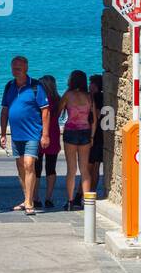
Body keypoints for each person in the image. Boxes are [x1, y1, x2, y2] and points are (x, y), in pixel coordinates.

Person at [0, 55, 49, 215]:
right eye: (14, 68)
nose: (16, 71)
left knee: (29, 165)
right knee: (21, 167)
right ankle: (26, 197)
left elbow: (45, 111)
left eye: (19, 68)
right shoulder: (9, 86)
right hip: (16, 135)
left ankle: (29, 202)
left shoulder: (36, 86)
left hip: (33, 134)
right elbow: (5, 110)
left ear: (26, 68)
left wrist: (45, 134)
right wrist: (2, 133)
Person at [58, 70, 98, 211]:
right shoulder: (89, 97)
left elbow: (58, 111)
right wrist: (92, 136)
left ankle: (70, 201)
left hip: (70, 132)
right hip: (85, 132)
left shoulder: (68, 95)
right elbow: (94, 120)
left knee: (71, 169)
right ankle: (86, 202)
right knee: (84, 169)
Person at [35, 74, 61, 208]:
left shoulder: (41, 100)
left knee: (36, 167)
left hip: (40, 134)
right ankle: (49, 197)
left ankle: (35, 197)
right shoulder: (58, 100)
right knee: (51, 167)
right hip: (54, 134)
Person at [87, 74, 105, 195]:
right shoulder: (103, 96)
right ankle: (92, 190)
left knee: (91, 165)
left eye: (91, 84)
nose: (89, 86)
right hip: (101, 133)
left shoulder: (96, 97)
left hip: (96, 133)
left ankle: (89, 190)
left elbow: (97, 116)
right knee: (96, 165)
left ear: (95, 85)